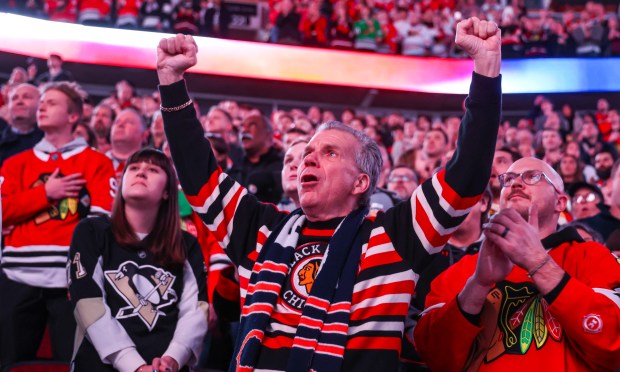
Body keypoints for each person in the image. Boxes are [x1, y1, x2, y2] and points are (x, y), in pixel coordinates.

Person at [156, 16, 501, 371]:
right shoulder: (262, 229)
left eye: (329, 152)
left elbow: (467, 178)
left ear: (361, 183)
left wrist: (486, 70)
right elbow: (200, 179)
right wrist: (171, 82)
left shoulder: (393, 236)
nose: (309, 158)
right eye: (308, 153)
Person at [414, 157, 620, 370]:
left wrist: (538, 263)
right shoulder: (466, 269)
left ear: (561, 202)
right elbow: (434, 357)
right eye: (508, 179)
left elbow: (613, 342)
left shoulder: (594, 256)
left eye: (533, 176)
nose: (516, 183)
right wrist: (478, 285)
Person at [0, 81, 116, 367]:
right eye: (42, 102)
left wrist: (84, 272)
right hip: (16, 275)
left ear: (73, 116)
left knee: (72, 364)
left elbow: (101, 224)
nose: (42, 106)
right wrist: (45, 194)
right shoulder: (15, 164)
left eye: (51, 103)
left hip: (71, 278)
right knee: (7, 363)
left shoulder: (97, 162)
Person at [69, 148, 208, 371]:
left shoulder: (187, 244)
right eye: (133, 168)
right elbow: (87, 302)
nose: (141, 172)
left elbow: (195, 309)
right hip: (98, 365)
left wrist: (173, 358)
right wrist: (133, 365)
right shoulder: (91, 231)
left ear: (166, 192)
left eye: (153, 169)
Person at [0, 83, 43, 167]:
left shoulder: (53, 143)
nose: (19, 101)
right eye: (14, 98)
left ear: (41, 104)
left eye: (27, 97)